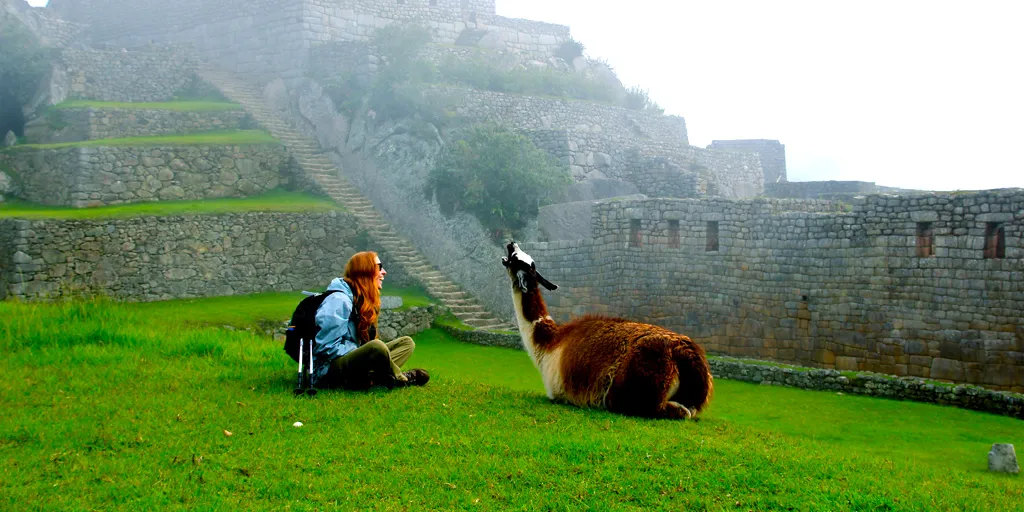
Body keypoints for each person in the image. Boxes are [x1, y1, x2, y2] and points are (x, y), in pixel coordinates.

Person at [311, 251, 429, 390]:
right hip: (329, 371)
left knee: (406, 343)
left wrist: (364, 353)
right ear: (365, 271)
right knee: (376, 347)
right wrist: (361, 351)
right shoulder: (339, 301)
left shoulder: (360, 299)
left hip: (352, 363)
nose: (384, 272)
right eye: (379, 267)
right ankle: (400, 378)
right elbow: (326, 347)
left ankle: (374, 378)